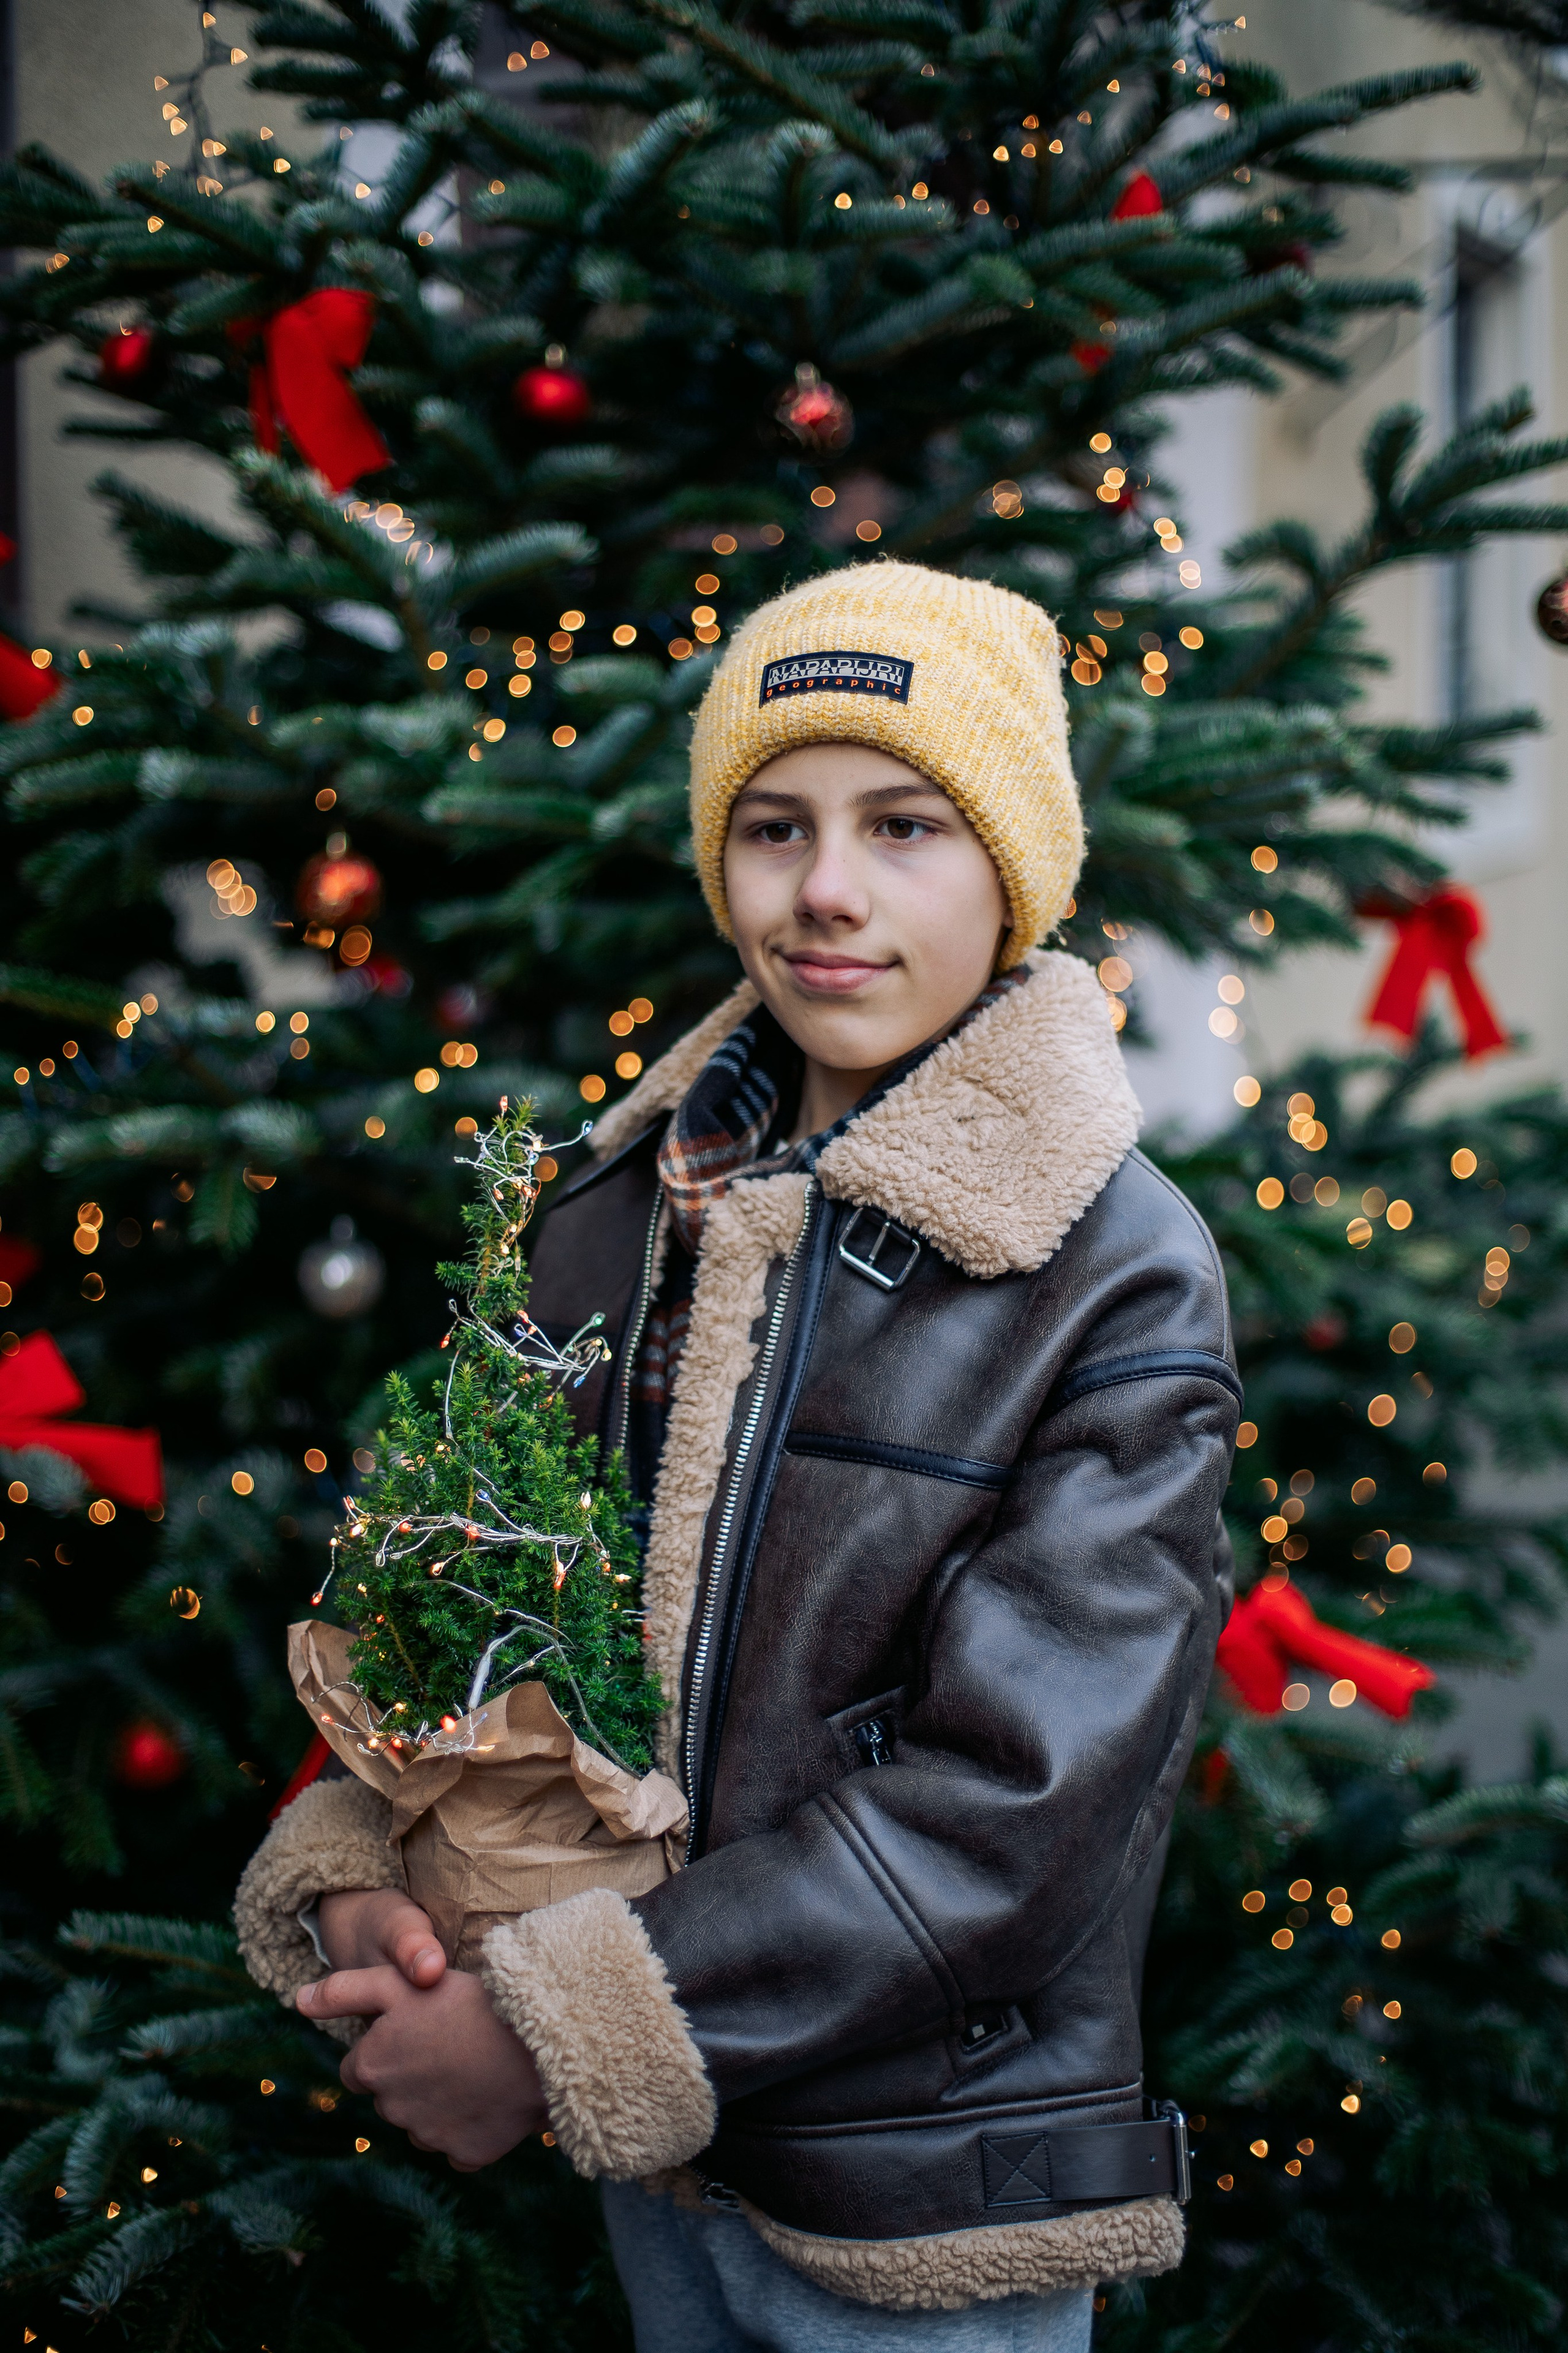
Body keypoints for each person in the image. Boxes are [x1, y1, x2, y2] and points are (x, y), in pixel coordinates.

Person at [236, 561, 1238, 2351]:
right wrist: (383, 1871)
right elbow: (464, 1608)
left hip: (915, 2190)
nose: (827, 891)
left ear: (1014, 867)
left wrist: (561, 2027)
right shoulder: (615, 1213)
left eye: (906, 824)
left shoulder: (1110, 1263)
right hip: (661, 2175)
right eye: (773, 827)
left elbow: (1021, 1808)